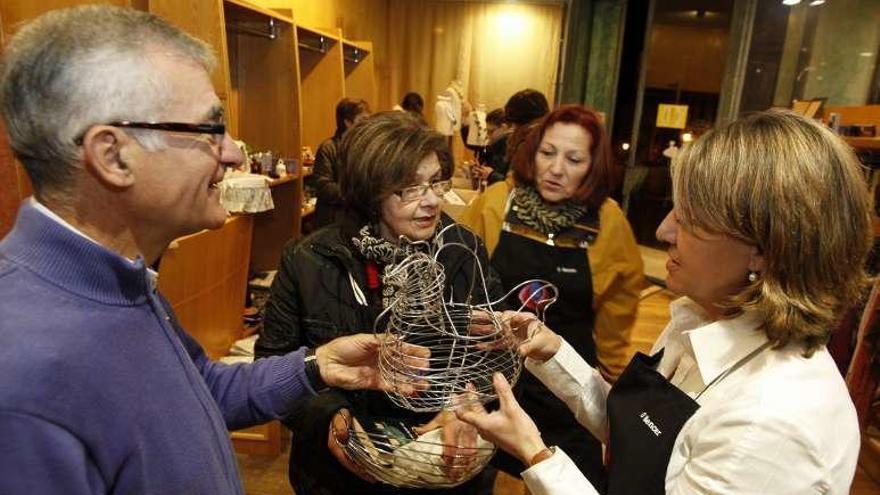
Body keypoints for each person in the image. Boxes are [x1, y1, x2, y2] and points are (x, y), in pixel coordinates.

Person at [0, 6, 426, 494]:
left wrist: (315, 365)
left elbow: (196, 390)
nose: (232, 153)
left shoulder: (119, 280)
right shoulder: (23, 375)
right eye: (209, 131)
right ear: (113, 156)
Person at [459, 109, 871, 494]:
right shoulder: (697, 321)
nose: (663, 230)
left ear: (765, 249)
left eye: (690, 219)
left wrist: (536, 454)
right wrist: (553, 353)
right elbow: (641, 437)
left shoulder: (769, 423)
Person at [255, 111, 503, 495]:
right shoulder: (310, 259)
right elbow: (273, 362)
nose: (431, 201)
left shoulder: (462, 251)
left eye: (436, 182)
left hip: (443, 469)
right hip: (338, 478)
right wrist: (329, 418)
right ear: (370, 191)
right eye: (410, 188)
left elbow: (494, 352)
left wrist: (466, 403)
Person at [459, 104, 642, 488]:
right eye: (548, 153)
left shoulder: (608, 222)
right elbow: (463, 284)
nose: (557, 169)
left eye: (574, 159)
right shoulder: (496, 202)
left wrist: (607, 385)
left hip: (568, 383)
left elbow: (617, 312)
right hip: (493, 374)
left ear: (593, 167)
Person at [310, 97, 371, 227]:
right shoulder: (328, 147)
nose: (367, 125)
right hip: (334, 219)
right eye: (362, 120)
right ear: (348, 122)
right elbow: (323, 186)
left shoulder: (366, 147)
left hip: (358, 218)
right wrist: (355, 195)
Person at [484, 89, 549, 185]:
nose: (512, 131)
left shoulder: (526, 144)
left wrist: (492, 175)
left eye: (513, 125)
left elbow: (514, 185)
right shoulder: (547, 139)